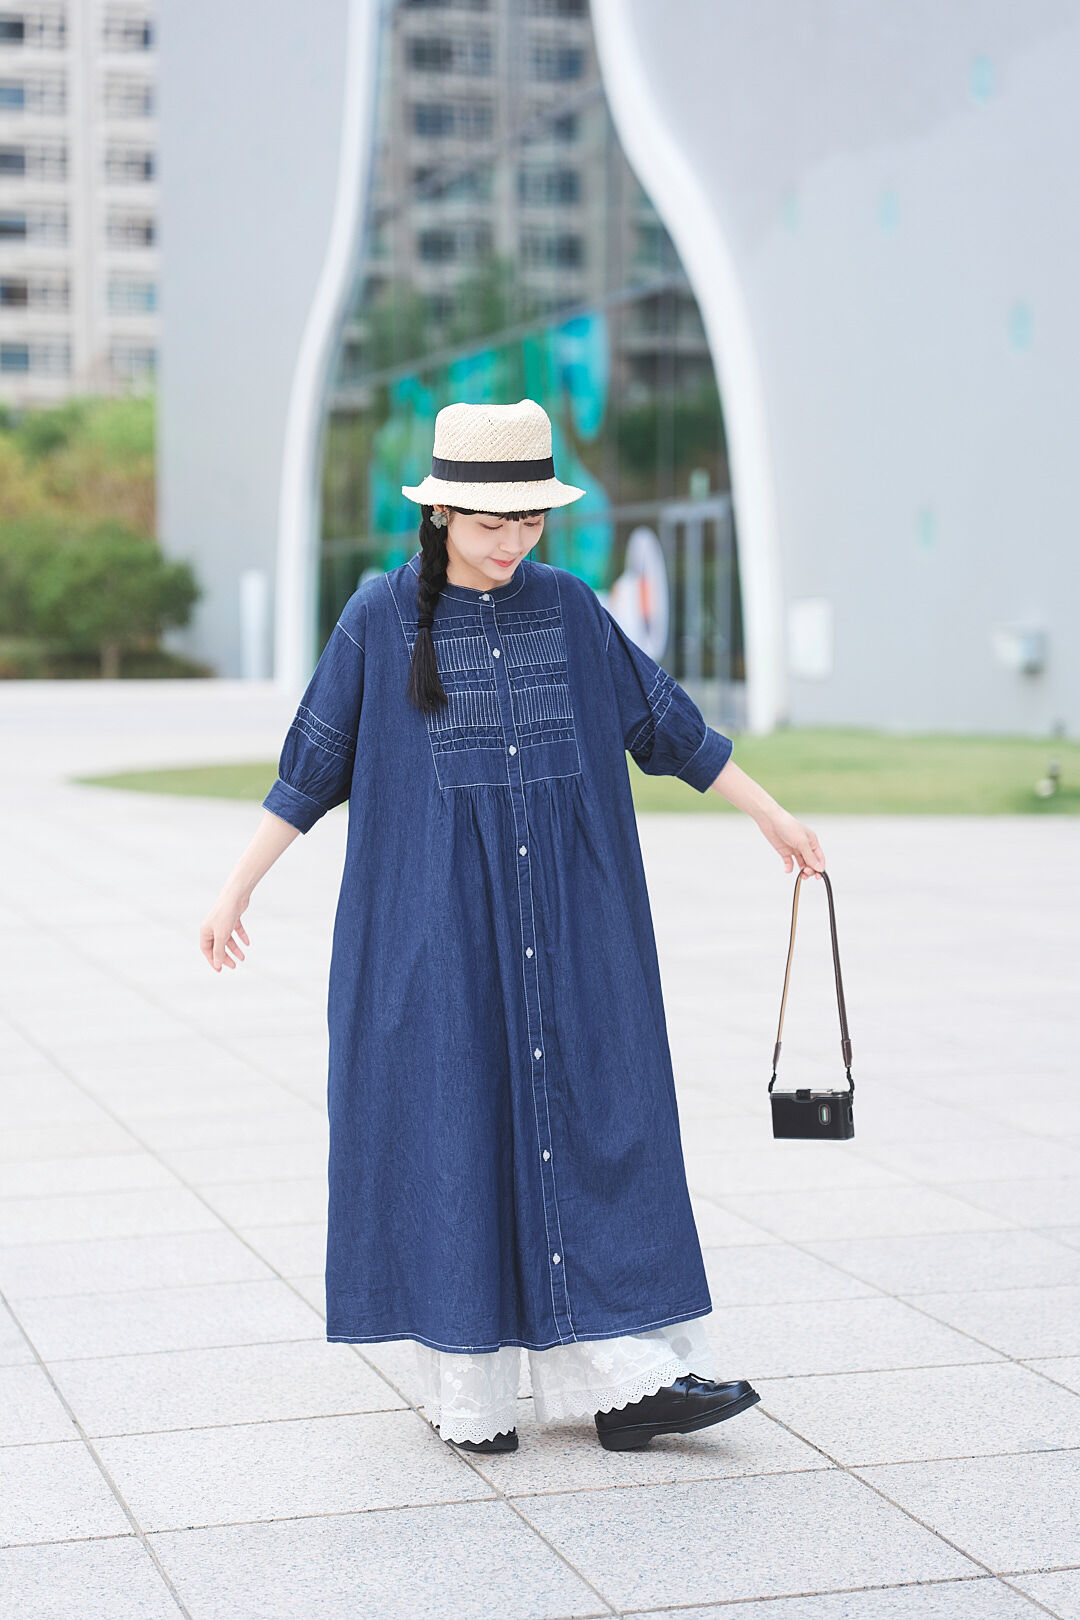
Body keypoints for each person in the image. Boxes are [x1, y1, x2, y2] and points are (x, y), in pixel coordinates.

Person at [201, 398, 826, 1455]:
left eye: (530, 521)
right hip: (434, 939)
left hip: (576, 931)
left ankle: (630, 1380)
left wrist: (771, 814)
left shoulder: (572, 609)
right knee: (453, 1134)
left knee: (598, 1120)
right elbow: (310, 767)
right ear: (442, 512)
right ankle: (472, 1393)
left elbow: (667, 726)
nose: (513, 542)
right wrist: (235, 890)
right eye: (493, 523)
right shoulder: (378, 617)